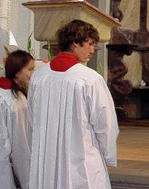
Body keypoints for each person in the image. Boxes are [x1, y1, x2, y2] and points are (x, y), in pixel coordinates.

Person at [28, 19, 119, 188]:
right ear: (75, 42)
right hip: (81, 155)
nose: (93, 50)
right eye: (90, 44)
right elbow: (105, 122)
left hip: (47, 156)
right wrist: (107, 153)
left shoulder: (38, 76)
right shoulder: (89, 78)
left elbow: (33, 119)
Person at [0, 50, 34, 189]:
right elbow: (20, 145)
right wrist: (27, 182)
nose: (32, 74)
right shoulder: (17, 101)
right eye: (30, 69)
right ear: (17, 71)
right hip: (0, 168)